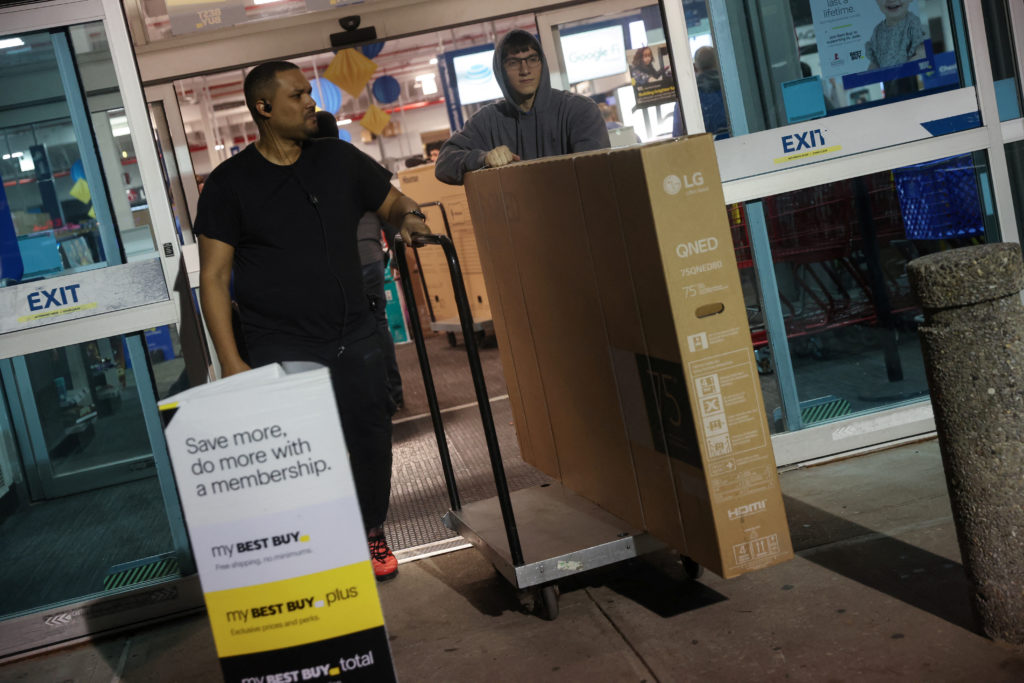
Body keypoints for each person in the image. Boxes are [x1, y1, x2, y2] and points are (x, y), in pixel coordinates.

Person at [195, 61, 430, 581]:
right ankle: (318, 548)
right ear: (263, 108)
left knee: (371, 437)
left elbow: (393, 201)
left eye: (309, 92)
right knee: (301, 454)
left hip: (356, 334)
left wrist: (410, 218)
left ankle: (371, 532)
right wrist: (230, 361)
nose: (311, 102)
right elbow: (212, 278)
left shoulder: (338, 160)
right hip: (281, 343)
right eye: (298, 94)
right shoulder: (229, 185)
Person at [434, 29, 609, 185]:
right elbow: (444, 163)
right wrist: (482, 159)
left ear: (542, 64)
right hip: (515, 220)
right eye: (513, 62)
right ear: (500, 71)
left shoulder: (579, 110)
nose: (525, 70)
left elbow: (594, 175)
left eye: (532, 59)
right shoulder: (488, 121)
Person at [315, 110, 403, 411]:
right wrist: (395, 251)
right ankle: (393, 392)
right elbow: (389, 210)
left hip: (337, 268)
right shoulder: (356, 162)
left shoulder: (308, 170)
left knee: (347, 332)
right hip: (370, 261)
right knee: (377, 324)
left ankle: (369, 397)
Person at [865, 0, 926, 70]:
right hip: (887, 78)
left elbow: (921, 53)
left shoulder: (914, 24)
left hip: (907, 75)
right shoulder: (877, 31)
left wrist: (901, 73)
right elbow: (874, 62)